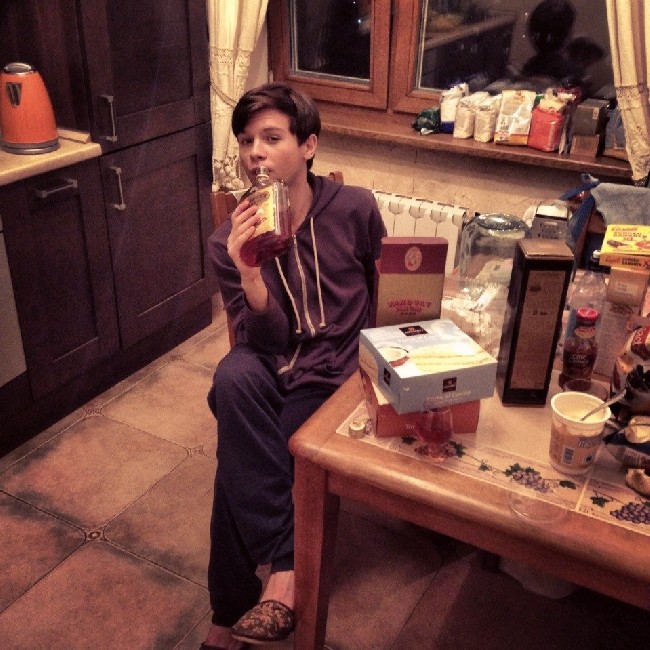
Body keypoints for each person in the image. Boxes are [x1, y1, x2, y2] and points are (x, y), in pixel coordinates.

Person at [202, 82, 385, 649]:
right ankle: (288, 565)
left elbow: (382, 286)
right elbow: (263, 337)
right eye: (245, 141)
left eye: (271, 137)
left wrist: (380, 364)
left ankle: (226, 614)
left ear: (308, 145)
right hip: (272, 359)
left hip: (332, 370)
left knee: (241, 458)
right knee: (232, 378)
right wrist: (249, 270)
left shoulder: (354, 208)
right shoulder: (228, 240)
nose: (255, 152)